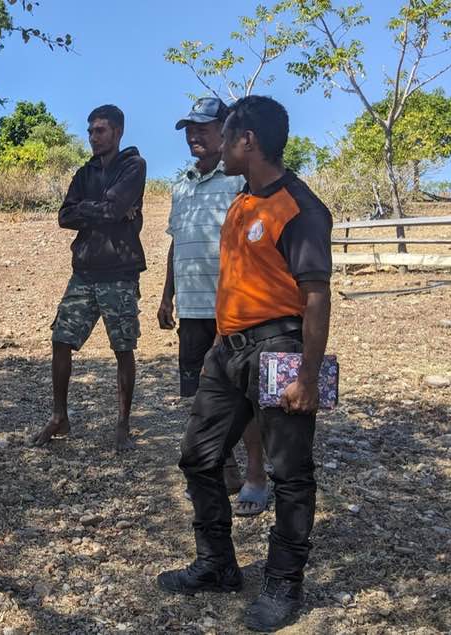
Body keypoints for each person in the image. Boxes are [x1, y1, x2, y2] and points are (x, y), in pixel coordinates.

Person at [155, 96, 332, 632]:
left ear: (247, 140)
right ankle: (217, 565)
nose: (219, 146)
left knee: (290, 472)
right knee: (198, 457)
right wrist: (218, 344)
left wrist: (306, 375)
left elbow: (317, 296)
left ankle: (283, 585)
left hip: (281, 347)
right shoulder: (240, 203)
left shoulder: (299, 208)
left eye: (227, 137)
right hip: (227, 350)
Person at [159, 97, 269, 516]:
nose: (194, 134)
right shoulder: (182, 184)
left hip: (235, 310)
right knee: (204, 395)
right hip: (192, 309)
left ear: (225, 129)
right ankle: (223, 472)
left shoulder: (241, 180)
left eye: (203, 127)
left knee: (244, 398)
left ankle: (257, 475)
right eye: (189, 127)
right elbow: (176, 241)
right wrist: (167, 296)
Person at [31, 104, 147, 453]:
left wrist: (97, 210)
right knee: (60, 340)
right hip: (84, 271)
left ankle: (123, 424)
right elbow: (65, 216)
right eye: (90, 131)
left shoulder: (134, 166)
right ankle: (59, 416)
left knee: (123, 348)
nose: (94, 136)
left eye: (101, 130)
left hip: (120, 271)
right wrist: (103, 210)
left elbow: (111, 209)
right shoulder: (84, 172)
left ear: (118, 132)